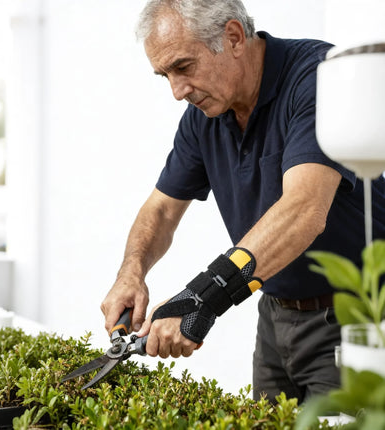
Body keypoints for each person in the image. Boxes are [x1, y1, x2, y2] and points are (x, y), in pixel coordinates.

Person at [101, 0, 385, 403]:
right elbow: (161, 208)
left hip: (355, 319)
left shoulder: (319, 78)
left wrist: (203, 297)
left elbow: (304, 210)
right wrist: (131, 272)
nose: (177, 92)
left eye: (183, 67)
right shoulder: (204, 116)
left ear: (233, 37)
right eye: (164, 75)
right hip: (274, 317)